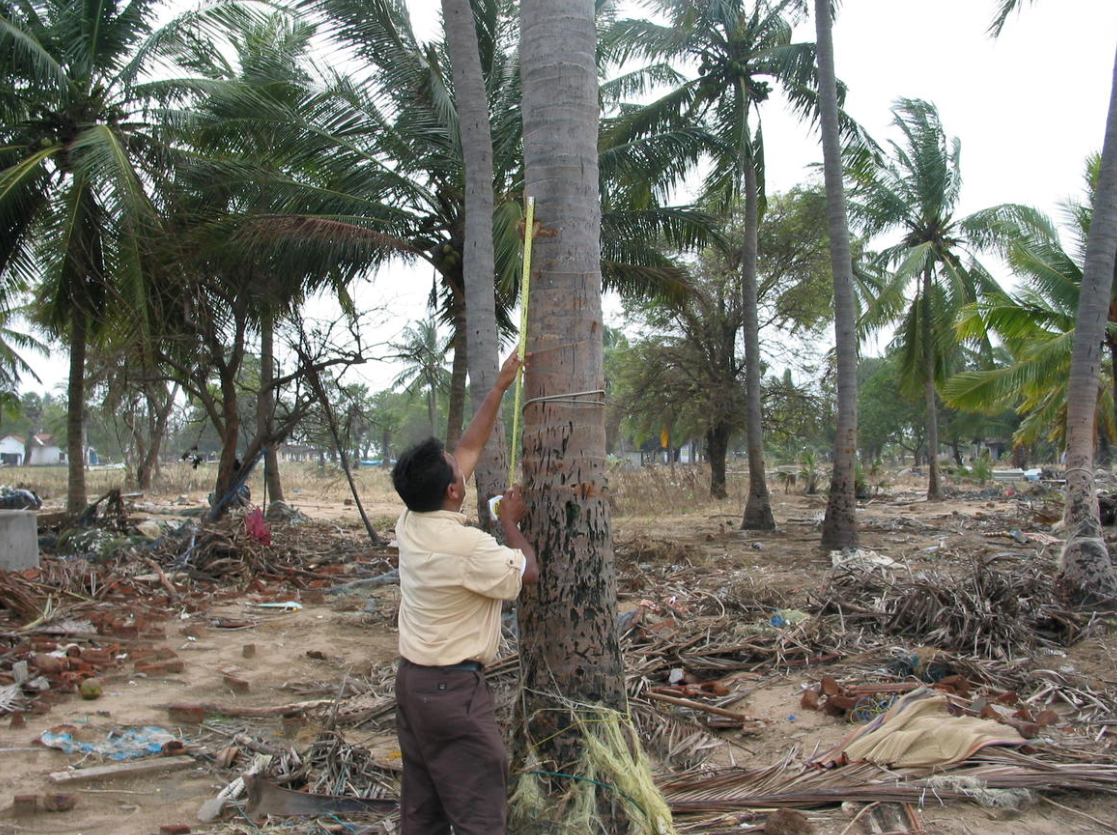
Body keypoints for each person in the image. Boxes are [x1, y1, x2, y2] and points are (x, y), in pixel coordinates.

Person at [390, 353, 539, 835]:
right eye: (457, 470)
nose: (462, 463)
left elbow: (468, 448)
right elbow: (528, 573)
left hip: (414, 687)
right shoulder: (468, 547)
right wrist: (510, 523)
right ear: (454, 492)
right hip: (450, 692)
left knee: (424, 807)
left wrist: (499, 388)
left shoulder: (412, 520)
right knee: (479, 809)